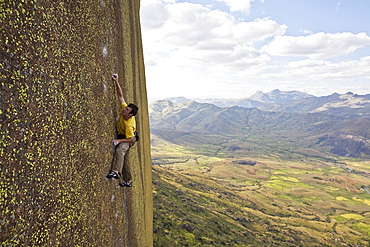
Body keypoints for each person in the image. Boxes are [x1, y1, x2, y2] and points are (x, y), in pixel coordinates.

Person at [106, 74, 138, 188]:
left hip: (129, 139)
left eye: (127, 110)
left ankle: (116, 172)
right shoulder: (125, 110)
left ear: (130, 115)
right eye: (125, 108)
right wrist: (116, 82)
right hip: (124, 136)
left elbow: (130, 138)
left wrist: (119, 141)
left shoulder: (129, 125)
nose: (124, 110)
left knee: (120, 151)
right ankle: (128, 181)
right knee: (124, 159)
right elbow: (121, 96)